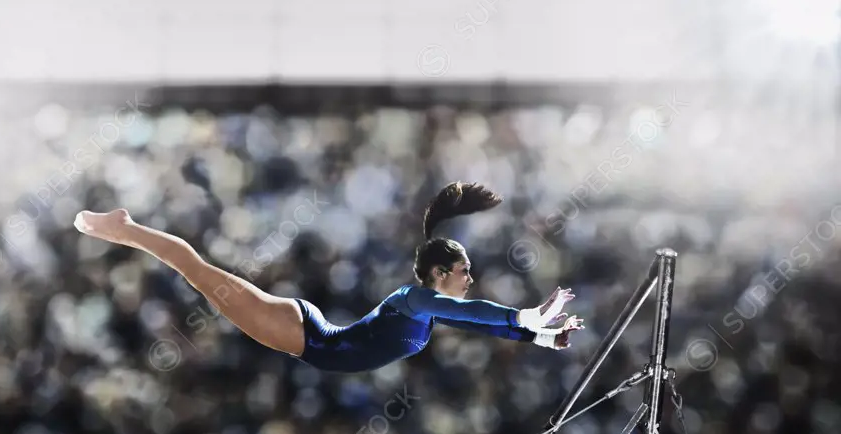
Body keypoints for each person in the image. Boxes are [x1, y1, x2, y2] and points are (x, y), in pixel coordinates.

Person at [74, 182, 584, 373]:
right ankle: (126, 229)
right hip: (307, 338)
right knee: (203, 276)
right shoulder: (415, 299)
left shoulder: (428, 308)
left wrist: (536, 334)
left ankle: (127, 229)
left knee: (207, 279)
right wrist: (526, 317)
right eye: (465, 271)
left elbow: (475, 322)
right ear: (438, 272)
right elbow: (473, 313)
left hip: (313, 335)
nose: (471, 279)